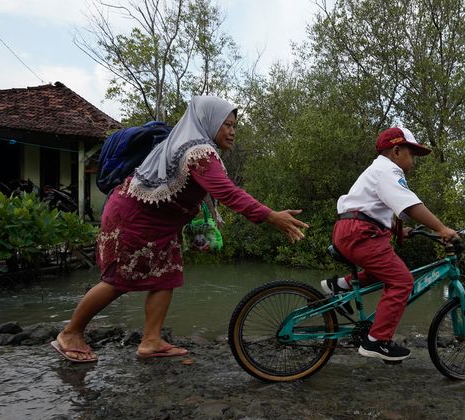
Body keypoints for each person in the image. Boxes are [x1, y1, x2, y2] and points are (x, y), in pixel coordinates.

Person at [51, 95, 308, 363]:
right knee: (119, 279)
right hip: (134, 218)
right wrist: (271, 216)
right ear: (209, 122)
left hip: (159, 222)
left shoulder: (196, 147)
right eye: (227, 124)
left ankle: (151, 341)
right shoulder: (197, 152)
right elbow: (228, 193)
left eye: (235, 126)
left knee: (167, 275)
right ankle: (71, 333)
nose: (232, 132)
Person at [321, 126, 457, 362]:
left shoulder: (377, 171)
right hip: (360, 233)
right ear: (396, 151)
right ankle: (377, 341)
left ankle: (339, 285)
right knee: (402, 281)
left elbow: (374, 209)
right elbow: (410, 206)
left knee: (385, 272)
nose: (413, 161)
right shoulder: (388, 171)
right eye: (411, 154)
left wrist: (400, 231)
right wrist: (442, 229)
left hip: (351, 230)